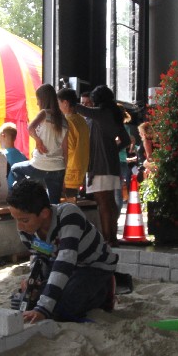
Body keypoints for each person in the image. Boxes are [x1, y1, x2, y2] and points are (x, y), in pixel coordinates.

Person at [7, 178, 117, 323]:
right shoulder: (27, 229)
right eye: (16, 219)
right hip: (61, 265)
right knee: (24, 301)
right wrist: (34, 280)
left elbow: (66, 259)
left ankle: (105, 290)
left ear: (44, 213)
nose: (19, 227)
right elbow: (39, 255)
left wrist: (43, 308)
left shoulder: (69, 214)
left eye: (24, 220)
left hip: (93, 266)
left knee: (63, 308)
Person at [74, 85, 130, 245]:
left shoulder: (100, 113)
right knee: (110, 202)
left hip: (100, 165)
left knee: (103, 203)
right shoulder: (114, 115)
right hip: (112, 165)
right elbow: (126, 140)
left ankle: (108, 239)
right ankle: (112, 237)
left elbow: (80, 109)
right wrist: (113, 149)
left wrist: (67, 98)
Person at [9, 84, 67, 203]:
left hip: (39, 165)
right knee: (54, 204)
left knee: (15, 169)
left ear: (43, 99)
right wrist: (64, 172)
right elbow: (65, 150)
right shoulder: (65, 121)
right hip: (58, 168)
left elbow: (30, 127)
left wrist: (38, 140)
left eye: (38, 99)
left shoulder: (44, 113)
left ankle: (28, 197)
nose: (37, 103)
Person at [56, 87, 91, 200]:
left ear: (65, 103)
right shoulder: (81, 120)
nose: (58, 106)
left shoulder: (68, 122)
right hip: (80, 169)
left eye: (58, 103)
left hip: (70, 172)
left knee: (68, 205)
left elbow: (68, 148)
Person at [0, 121, 27, 186]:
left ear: (3, 136)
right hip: (20, 190)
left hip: (6, 191)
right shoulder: (23, 157)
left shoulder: (0, 156)